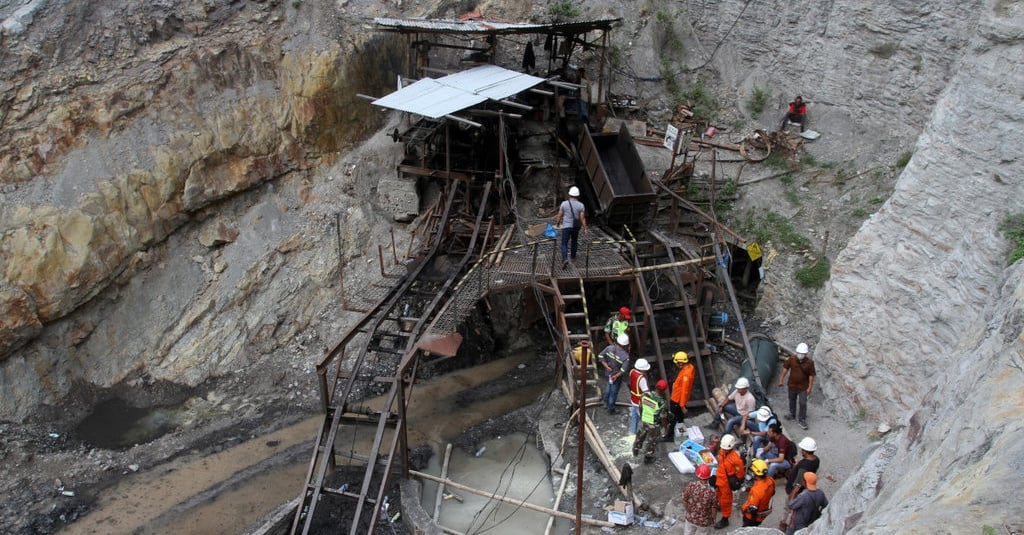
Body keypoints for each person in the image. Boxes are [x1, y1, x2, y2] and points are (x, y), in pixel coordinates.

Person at [778, 342, 816, 430]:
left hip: (803, 387)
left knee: (803, 403)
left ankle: (802, 419)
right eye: (799, 353)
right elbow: (785, 369)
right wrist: (781, 380)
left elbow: (811, 375)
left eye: (802, 354)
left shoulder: (810, 363)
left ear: (806, 354)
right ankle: (792, 414)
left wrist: (810, 387)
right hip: (792, 385)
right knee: (792, 400)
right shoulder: (791, 359)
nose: (800, 355)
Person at [632, 379, 669, 463]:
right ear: (664, 390)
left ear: (656, 386)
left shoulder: (645, 395)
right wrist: (666, 428)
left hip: (644, 420)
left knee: (640, 436)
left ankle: (635, 450)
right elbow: (663, 418)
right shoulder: (662, 403)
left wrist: (641, 416)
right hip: (654, 424)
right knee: (652, 441)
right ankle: (647, 457)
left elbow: (640, 406)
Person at [713, 434, 745, 529]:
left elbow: (740, 473)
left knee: (726, 501)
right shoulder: (723, 451)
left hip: (726, 483)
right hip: (719, 479)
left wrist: (736, 481)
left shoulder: (735, 459)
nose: (724, 449)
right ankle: (720, 506)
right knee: (719, 495)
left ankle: (725, 519)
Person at [554, 186, 588, 268]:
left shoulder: (564, 204)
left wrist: (558, 224)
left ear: (569, 194)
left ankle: (565, 258)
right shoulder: (581, 205)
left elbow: (559, 215)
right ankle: (573, 257)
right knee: (574, 241)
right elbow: (582, 218)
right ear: (578, 195)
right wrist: (585, 228)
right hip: (576, 226)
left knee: (564, 243)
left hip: (566, 226)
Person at [598, 333, 630, 413]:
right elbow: (623, 370)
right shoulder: (625, 356)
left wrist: (606, 366)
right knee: (614, 392)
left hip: (609, 373)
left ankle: (605, 402)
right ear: (626, 345)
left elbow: (600, 356)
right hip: (616, 376)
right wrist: (616, 376)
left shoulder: (609, 348)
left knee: (609, 386)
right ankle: (611, 408)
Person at [682, 464, 718, 535]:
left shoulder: (691, 486)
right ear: (708, 477)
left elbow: (684, 499)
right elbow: (714, 508)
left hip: (690, 518)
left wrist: (688, 510)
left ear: (698, 475)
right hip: (704, 522)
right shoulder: (712, 492)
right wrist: (713, 519)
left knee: (688, 532)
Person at [741, 459, 775, 527]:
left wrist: (744, 510)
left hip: (752, 518)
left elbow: (753, 508)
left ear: (754, 473)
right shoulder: (771, 481)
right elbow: (772, 492)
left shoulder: (756, 491)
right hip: (763, 512)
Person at [670, 351, 695, 423]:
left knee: (674, 417)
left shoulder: (686, 375)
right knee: (679, 416)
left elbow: (684, 391)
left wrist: (682, 406)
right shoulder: (690, 368)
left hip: (676, 399)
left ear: (680, 363)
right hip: (678, 397)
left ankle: (671, 432)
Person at [628, 358, 651, 434]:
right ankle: (643, 433)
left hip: (633, 398)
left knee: (634, 416)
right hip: (640, 402)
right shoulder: (641, 379)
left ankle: (632, 431)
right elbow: (646, 392)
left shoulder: (632, 372)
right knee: (643, 418)